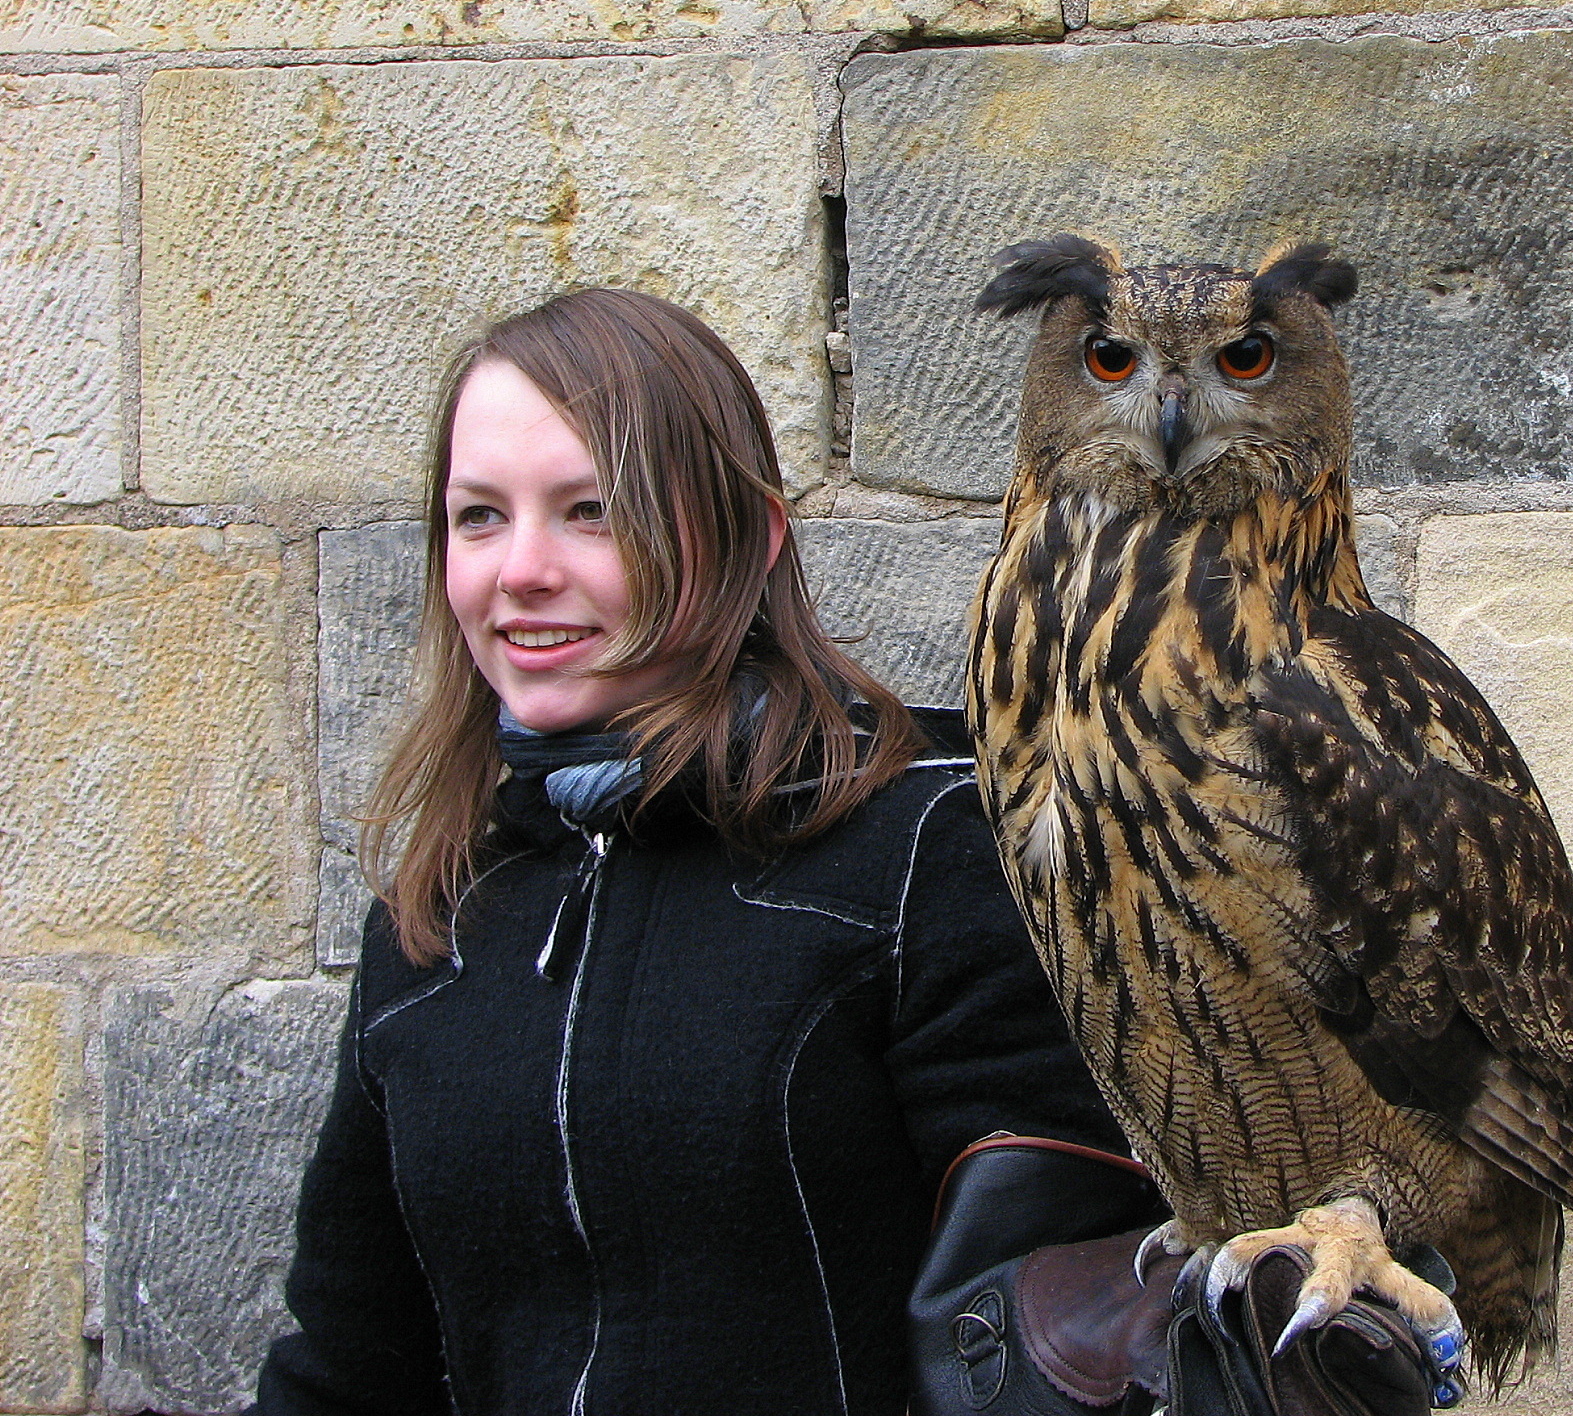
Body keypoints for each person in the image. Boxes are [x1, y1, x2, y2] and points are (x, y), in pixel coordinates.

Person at [251, 287, 1142, 1415]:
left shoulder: (926, 850)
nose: (519, 568)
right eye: (477, 516)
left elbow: (1069, 1334)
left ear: (747, 534)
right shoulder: (438, 912)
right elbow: (346, 1363)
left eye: (590, 509)